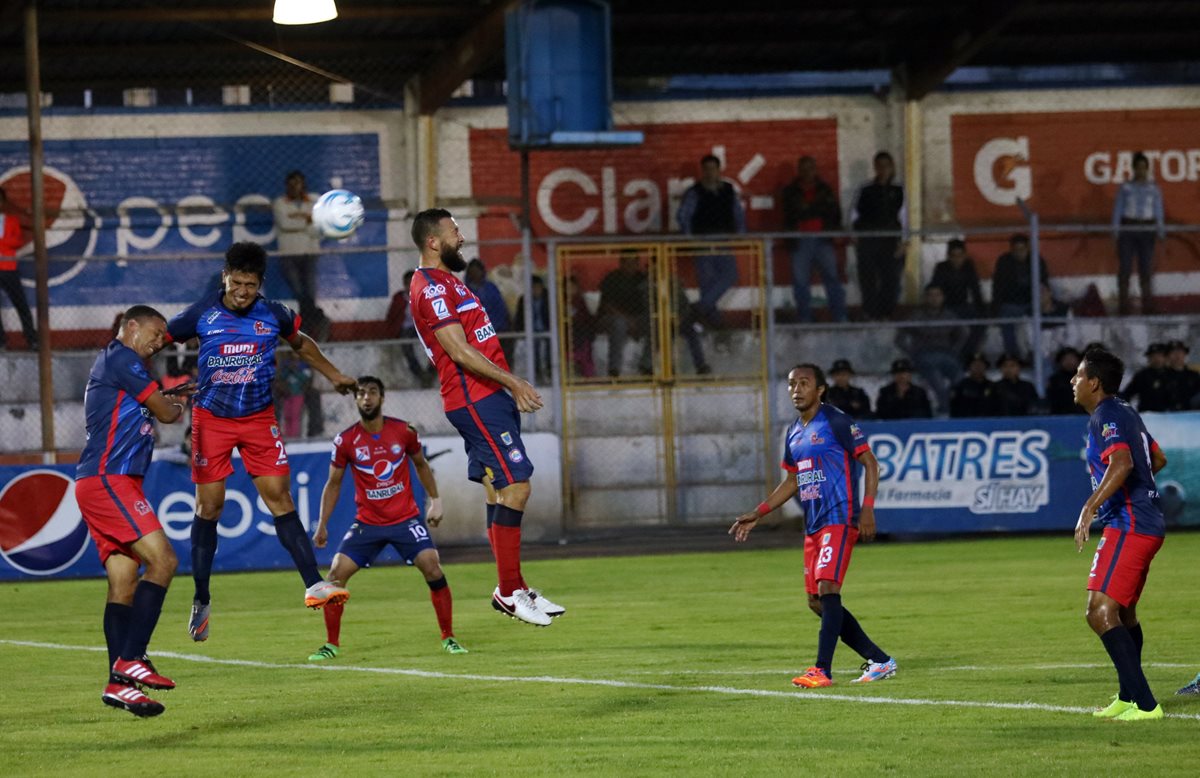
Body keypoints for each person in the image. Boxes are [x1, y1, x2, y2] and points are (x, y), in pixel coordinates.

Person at [168, 241, 356, 643]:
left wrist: (334, 375)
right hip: (212, 420)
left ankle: (313, 583)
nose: (242, 291)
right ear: (225, 276)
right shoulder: (203, 312)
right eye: (236, 282)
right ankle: (201, 598)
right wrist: (139, 383)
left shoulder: (273, 315)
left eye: (250, 285)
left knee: (280, 499)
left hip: (257, 420)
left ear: (260, 284)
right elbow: (161, 337)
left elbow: (302, 343)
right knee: (209, 507)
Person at [408, 208, 564, 627]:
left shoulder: (447, 283)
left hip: (486, 396)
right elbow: (458, 351)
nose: (462, 238)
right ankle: (509, 591)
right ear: (434, 242)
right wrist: (513, 383)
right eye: (455, 232)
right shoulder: (430, 288)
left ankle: (512, 586)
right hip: (475, 397)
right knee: (518, 486)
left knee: (498, 490)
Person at [730, 363, 896, 688]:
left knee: (828, 588)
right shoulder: (794, 433)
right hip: (814, 525)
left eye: (804, 383)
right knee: (817, 602)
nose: (796, 389)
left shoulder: (835, 421)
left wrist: (868, 509)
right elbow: (792, 480)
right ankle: (880, 659)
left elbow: (870, 463)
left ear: (820, 389)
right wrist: (758, 512)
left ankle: (822, 669)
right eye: (792, 384)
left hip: (839, 517)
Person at [75, 305, 193, 717]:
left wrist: (166, 397)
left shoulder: (122, 367)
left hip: (99, 480)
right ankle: (132, 658)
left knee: (124, 583)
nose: (161, 340)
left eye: (165, 336)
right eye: (156, 332)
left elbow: (143, 406)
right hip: (112, 478)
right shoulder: (121, 355)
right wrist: (175, 407)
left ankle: (118, 684)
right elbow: (165, 415)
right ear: (130, 327)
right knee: (164, 560)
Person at [311, 376, 468, 659]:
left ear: (382, 398)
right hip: (368, 522)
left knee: (433, 567)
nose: (366, 398)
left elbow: (421, 465)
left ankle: (449, 637)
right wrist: (322, 523)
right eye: (361, 393)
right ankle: (331, 645)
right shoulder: (346, 440)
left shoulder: (403, 431)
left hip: (406, 520)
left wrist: (436, 502)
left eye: (372, 392)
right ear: (356, 400)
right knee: (335, 575)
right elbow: (333, 483)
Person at [1071, 346, 1167, 721]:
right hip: (1146, 521)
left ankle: (1145, 704)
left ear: (1094, 383)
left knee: (1098, 612)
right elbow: (1157, 459)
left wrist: (1089, 507)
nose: (1073, 381)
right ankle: (1129, 696)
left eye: (1078, 375)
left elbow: (1123, 462)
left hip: (1129, 523)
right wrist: (1145, 491)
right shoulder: (1126, 410)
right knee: (1123, 613)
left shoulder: (1105, 415)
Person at [676, 154, 745, 330]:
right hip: (703, 239)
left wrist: (741, 232)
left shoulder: (728, 190)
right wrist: (689, 238)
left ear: (718, 170)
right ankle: (714, 322)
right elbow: (684, 216)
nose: (710, 172)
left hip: (723, 238)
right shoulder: (695, 191)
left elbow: (737, 212)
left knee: (730, 275)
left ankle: (699, 308)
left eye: (713, 168)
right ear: (703, 171)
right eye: (706, 169)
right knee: (707, 281)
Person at [781, 156, 846, 323]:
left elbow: (834, 213)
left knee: (832, 278)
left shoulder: (825, 189)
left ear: (815, 169)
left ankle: (839, 316)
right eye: (803, 168)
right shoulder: (790, 191)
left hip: (823, 240)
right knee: (800, 281)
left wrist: (833, 231)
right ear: (799, 170)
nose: (807, 172)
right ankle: (805, 318)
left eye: (810, 168)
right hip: (799, 240)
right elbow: (788, 216)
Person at [851, 151, 905, 320]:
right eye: (879, 166)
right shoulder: (865, 189)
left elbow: (905, 217)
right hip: (868, 240)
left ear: (892, 167)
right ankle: (870, 313)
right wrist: (855, 236)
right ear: (875, 168)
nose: (883, 169)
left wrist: (904, 241)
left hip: (890, 240)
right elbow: (854, 214)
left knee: (891, 279)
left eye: (886, 166)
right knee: (868, 278)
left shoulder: (899, 190)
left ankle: (886, 313)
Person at [895, 284, 964, 414]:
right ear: (926, 298)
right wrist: (912, 353)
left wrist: (955, 350)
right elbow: (900, 338)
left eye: (937, 295)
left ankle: (957, 408)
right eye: (931, 295)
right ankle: (945, 411)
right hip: (925, 355)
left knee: (960, 378)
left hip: (946, 354)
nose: (934, 298)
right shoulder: (917, 316)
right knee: (938, 382)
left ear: (943, 297)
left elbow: (963, 333)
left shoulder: (949, 315)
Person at [1111, 152, 1165, 315]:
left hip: (1147, 229)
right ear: (1133, 168)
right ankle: (1123, 306)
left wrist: (1161, 231)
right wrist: (1115, 230)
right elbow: (1118, 208)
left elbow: (1158, 210)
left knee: (1145, 268)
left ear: (1147, 169)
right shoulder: (1125, 187)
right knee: (1125, 267)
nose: (1141, 171)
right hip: (1128, 227)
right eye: (1138, 167)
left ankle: (1148, 306)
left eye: (1144, 167)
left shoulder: (1154, 188)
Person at [271, 171, 324, 331]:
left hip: (309, 252)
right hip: (288, 253)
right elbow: (284, 224)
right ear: (287, 186)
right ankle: (316, 318)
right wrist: (307, 220)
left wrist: (297, 218)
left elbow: (317, 229)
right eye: (292, 184)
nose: (295, 187)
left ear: (303, 185)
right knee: (298, 290)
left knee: (309, 290)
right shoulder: (280, 203)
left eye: (298, 183)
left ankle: (307, 324)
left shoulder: (313, 203)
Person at [992, 234, 1051, 360]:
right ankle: (1013, 357)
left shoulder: (1036, 260)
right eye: (1016, 250)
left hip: (1032, 302)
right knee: (1006, 321)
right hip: (1011, 303)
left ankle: (1035, 354)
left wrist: (1044, 302)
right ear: (1011, 250)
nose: (1019, 253)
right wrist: (996, 308)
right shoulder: (1004, 261)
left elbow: (1044, 284)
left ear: (1027, 248)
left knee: (1038, 323)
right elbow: (997, 287)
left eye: (1022, 249)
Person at [598, 251, 652, 378]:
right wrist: (628, 320)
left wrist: (635, 321)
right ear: (621, 263)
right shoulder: (612, 278)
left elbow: (649, 304)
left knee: (655, 322)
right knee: (619, 323)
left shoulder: (642, 278)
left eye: (634, 262)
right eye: (627, 262)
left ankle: (646, 365)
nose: (631, 265)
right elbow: (607, 306)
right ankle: (614, 369)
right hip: (610, 318)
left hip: (637, 318)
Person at [929, 239, 985, 358]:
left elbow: (975, 289)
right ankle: (951, 355)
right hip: (946, 307)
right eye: (953, 256)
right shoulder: (941, 267)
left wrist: (981, 310)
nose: (956, 259)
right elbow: (935, 288)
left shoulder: (968, 266)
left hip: (963, 305)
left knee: (980, 324)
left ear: (964, 255)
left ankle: (968, 354)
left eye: (960, 256)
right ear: (948, 256)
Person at [385, 270, 437, 388]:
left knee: (436, 345)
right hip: (407, 327)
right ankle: (420, 374)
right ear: (404, 284)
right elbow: (391, 316)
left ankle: (431, 372)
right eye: (407, 283)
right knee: (407, 346)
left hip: (424, 327)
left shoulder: (426, 295)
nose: (410, 286)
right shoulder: (399, 298)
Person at [0, 186, 38, 350]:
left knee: (20, 304)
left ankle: (32, 339)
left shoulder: (12, 220)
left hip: (9, 268)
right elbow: (11, 242)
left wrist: (2, 243)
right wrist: (5, 243)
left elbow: (17, 242)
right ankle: (1, 341)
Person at [465, 258, 514, 368]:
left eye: (477, 271)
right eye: (473, 272)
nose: (476, 274)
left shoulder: (491, 287)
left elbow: (501, 307)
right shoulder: (464, 290)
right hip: (477, 332)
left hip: (499, 328)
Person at [514, 275, 552, 384]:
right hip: (531, 332)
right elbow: (519, 319)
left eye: (538, 287)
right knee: (533, 346)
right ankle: (536, 372)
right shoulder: (524, 300)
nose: (536, 290)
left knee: (549, 345)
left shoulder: (548, 299)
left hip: (546, 330)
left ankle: (549, 371)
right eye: (533, 288)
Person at [1121, 343, 1171, 413]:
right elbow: (1127, 394)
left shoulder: (1172, 375)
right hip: (1147, 415)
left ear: (1165, 357)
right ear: (1149, 358)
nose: (1156, 359)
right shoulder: (1142, 376)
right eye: (1153, 356)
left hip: (1170, 416)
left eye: (1159, 356)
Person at [565, 274, 596, 378]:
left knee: (586, 354)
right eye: (568, 287)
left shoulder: (580, 301)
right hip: (565, 334)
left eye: (572, 287)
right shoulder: (561, 302)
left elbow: (587, 318)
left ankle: (588, 376)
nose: (570, 290)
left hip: (581, 333)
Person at [949, 353, 997, 418]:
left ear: (985, 366)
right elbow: (954, 409)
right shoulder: (961, 386)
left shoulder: (993, 386)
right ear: (969, 367)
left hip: (989, 424)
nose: (978, 367)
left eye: (980, 365)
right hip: (966, 424)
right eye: (975, 364)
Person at [1046, 346, 1086, 415]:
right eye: (1065, 359)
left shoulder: (1086, 378)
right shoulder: (1055, 380)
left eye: (1072, 358)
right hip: (1061, 417)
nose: (1069, 362)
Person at [1164, 340, 1200, 411]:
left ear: (1185, 354)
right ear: (1168, 356)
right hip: (1167, 416)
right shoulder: (1161, 376)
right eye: (1173, 353)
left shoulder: (1194, 375)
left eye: (1180, 352)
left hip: (1192, 415)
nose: (1177, 356)